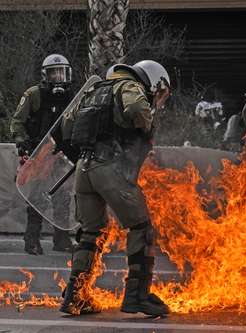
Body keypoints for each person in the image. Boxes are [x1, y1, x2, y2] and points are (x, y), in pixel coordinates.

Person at [59, 60, 171, 316]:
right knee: (141, 228)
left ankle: (75, 297)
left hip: (83, 170)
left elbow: (67, 126)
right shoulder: (129, 86)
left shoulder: (94, 90)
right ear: (152, 81)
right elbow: (136, 109)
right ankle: (137, 296)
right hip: (109, 169)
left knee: (90, 233)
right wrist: (147, 120)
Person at [10, 54, 74, 255]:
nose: (58, 77)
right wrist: (23, 144)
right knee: (37, 197)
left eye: (61, 72)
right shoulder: (34, 94)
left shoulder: (72, 97)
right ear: (45, 75)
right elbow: (17, 122)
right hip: (39, 153)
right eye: (53, 72)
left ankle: (62, 241)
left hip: (61, 154)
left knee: (62, 197)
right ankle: (32, 240)